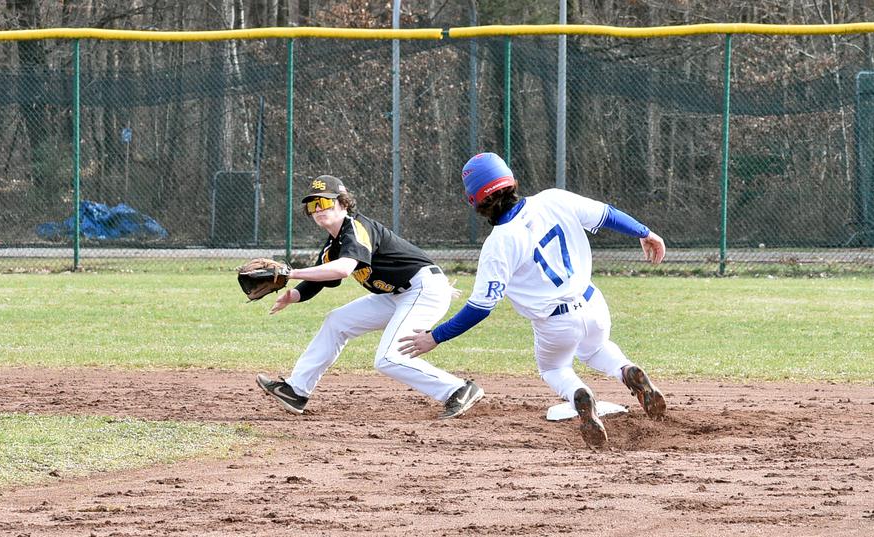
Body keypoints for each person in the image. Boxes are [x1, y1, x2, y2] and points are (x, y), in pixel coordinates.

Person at [398, 152, 667, 448]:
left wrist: (436, 336)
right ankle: (626, 371)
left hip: (555, 322)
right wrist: (645, 232)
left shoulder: (498, 242)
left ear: (474, 202)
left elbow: (480, 308)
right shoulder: (553, 198)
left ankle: (579, 392)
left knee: (554, 369)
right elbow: (607, 215)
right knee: (597, 348)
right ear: (512, 181)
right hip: (593, 305)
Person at [256, 175, 484, 419]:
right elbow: (321, 278)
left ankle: (459, 389)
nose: (318, 209)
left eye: (325, 202)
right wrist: (294, 295)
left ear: (343, 204)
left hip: (423, 290)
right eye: (313, 205)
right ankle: (296, 390)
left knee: (388, 358)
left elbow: (343, 268)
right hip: (398, 295)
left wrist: (291, 272)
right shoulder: (333, 244)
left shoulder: (355, 228)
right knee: (337, 321)